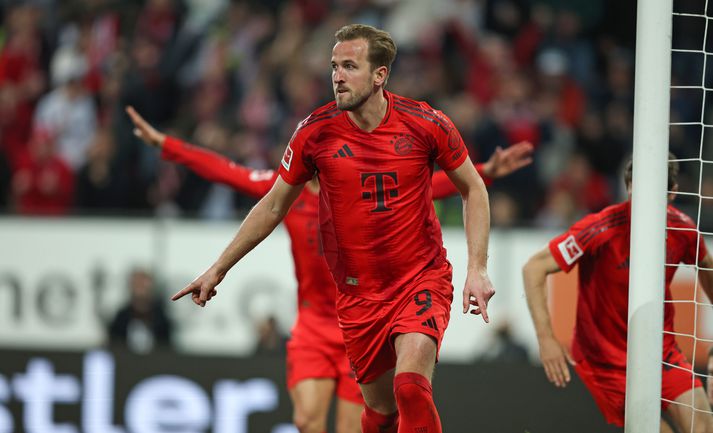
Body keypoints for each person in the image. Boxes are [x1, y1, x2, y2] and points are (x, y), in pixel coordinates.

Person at [166, 23, 494, 433]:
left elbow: (473, 188)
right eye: (334, 66)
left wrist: (477, 267)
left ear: (380, 75)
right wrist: (219, 268)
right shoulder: (314, 133)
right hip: (358, 297)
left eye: (350, 66)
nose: (337, 76)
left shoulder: (426, 123)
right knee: (380, 414)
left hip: (420, 279)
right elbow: (273, 205)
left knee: (410, 386)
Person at [126, 107, 532, 433]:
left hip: (361, 312)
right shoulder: (285, 191)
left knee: (355, 424)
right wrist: (167, 145)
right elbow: (225, 171)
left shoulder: (360, 185)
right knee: (307, 421)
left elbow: (435, 183)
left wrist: (486, 172)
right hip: (314, 324)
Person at [522, 157, 713, 432]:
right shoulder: (600, 229)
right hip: (605, 362)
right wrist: (546, 339)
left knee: (703, 427)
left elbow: (706, 266)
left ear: (672, 193)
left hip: (661, 350)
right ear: (628, 187)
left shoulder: (682, 230)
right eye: (637, 190)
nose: (643, 201)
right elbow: (534, 268)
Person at [108, 266, 174, 354]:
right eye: (137, 284)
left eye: (144, 285)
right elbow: (114, 345)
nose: (140, 289)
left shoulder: (161, 318)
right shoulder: (121, 318)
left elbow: (167, 348)